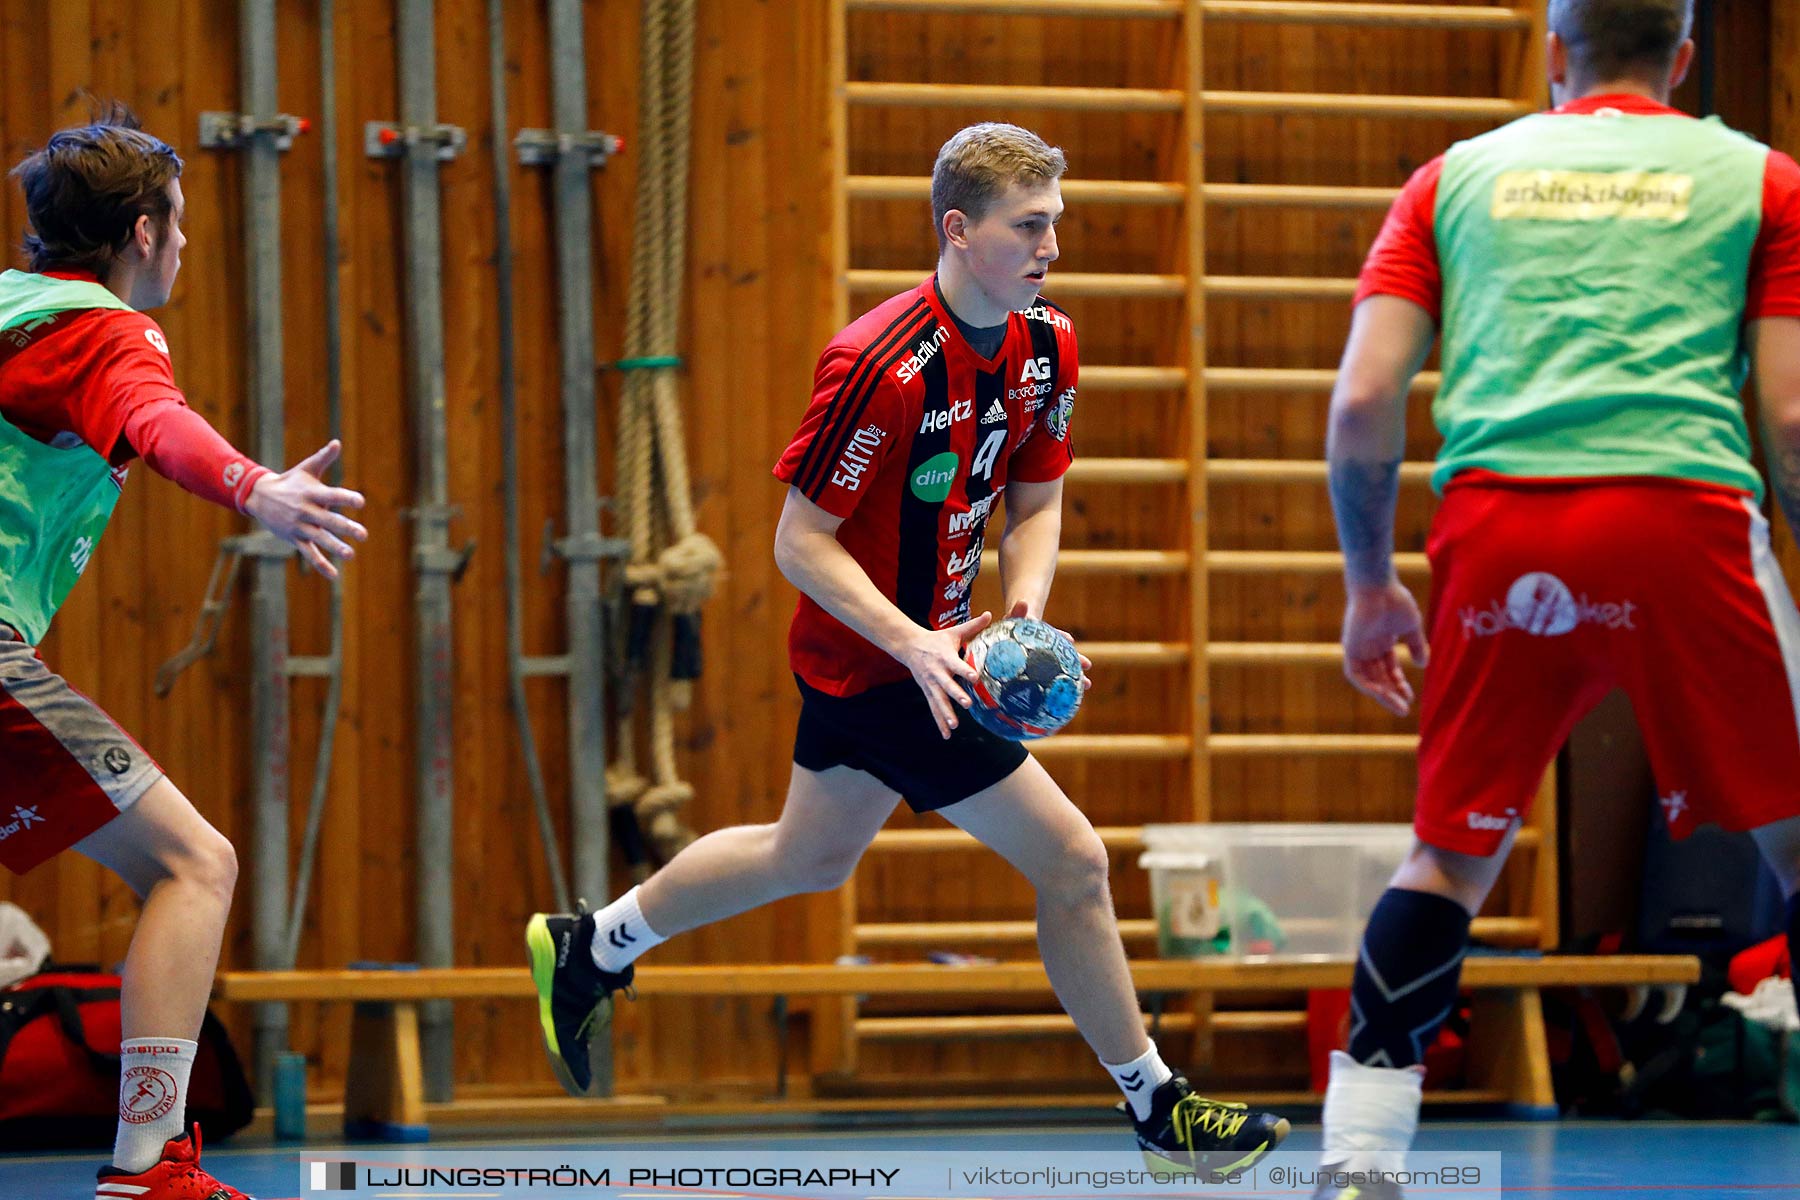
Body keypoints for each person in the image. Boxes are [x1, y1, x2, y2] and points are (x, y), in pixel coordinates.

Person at [528, 121, 1288, 1178]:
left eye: (1055, 225)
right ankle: (1158, 1109)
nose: (1050, 248)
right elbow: (800, 542)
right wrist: (917, 644)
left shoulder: (1045, 341)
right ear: (959, 230)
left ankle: (594, 944)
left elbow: (1038, 496)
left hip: (936, 656)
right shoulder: (878, 365)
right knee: (1074, 863)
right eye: (1029, 227)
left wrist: (1023, 611)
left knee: (808, 855)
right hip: (884, 665)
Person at [1319, 1, 1800, 1195]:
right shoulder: (1762, 180)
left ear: (1552, 56)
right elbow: (1791, 416)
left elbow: (1365, 402)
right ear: (1683, 63)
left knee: (1449, 855)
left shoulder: (1453, 179)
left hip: (1500, 522)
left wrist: (1373, 585)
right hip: (1680, 519)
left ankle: (1360, 1158)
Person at [1, 108, 367, 1200]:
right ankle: (146, 1168)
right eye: (183, 223)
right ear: (146, 231)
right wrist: (259, 489)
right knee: (193, 865)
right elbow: (156, 423)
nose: (187, 246)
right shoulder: (103, 330)